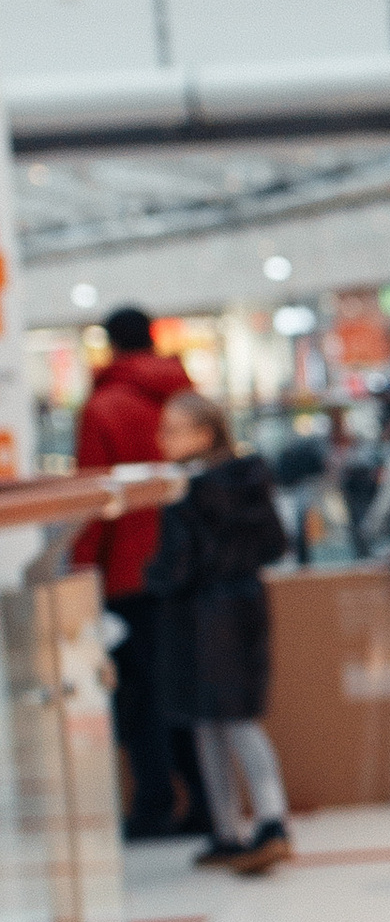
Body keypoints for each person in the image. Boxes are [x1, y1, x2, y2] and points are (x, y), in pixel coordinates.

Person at [146, 392, 292, 873]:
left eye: (172, 429)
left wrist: (156, 579)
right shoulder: (251, 480)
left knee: (216, 720)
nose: (162, 438)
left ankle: (246, 826)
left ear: (205, 434)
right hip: (246, 601)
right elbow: (274, 543)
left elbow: (178, 564)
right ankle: (254, 823)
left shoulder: (185, 492)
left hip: (200, 614)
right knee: (233, 716)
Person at [72, 304, 196, 838]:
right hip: (187, 566)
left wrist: (80, 571)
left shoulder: (104, 408)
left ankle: (154, 801)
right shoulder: (186, 398)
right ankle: (206, 800)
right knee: (187, 686)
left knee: (139, 695)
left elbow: (97, 501)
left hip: (127, 574)